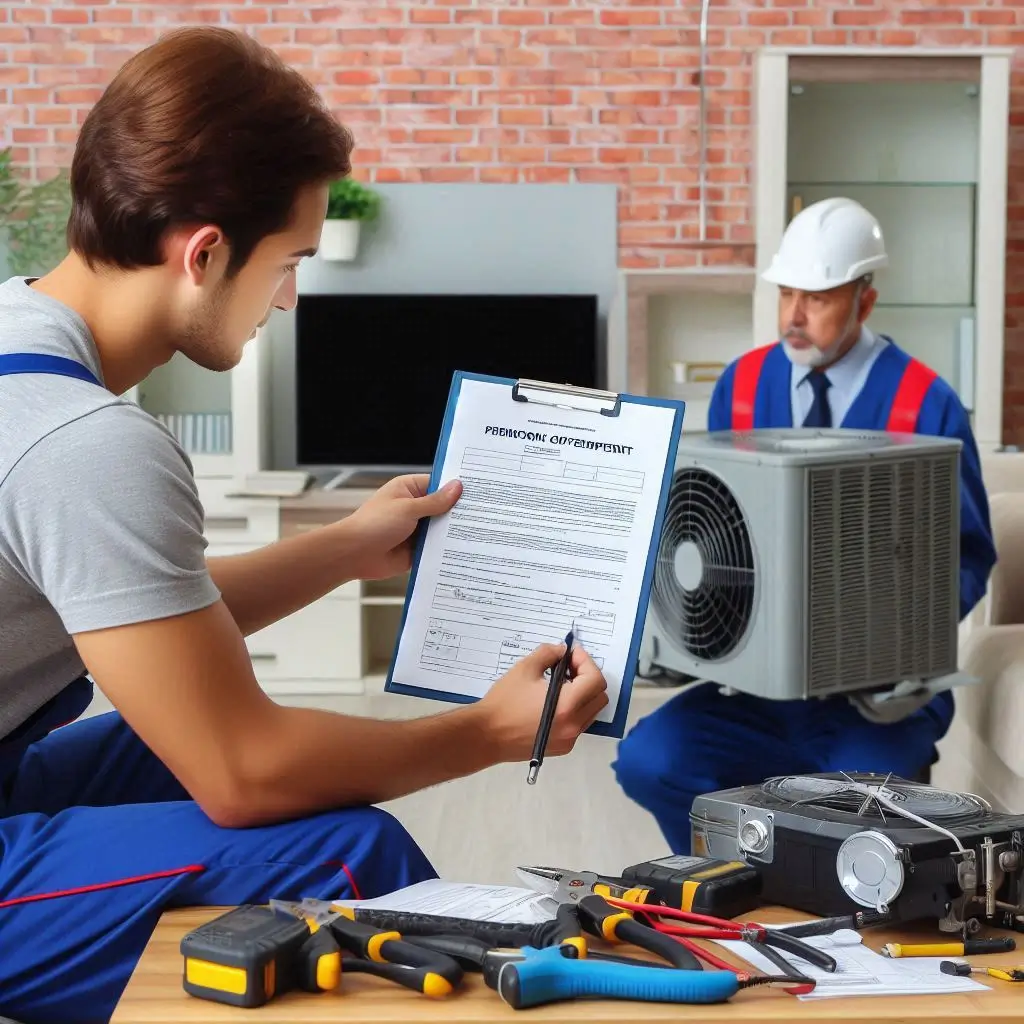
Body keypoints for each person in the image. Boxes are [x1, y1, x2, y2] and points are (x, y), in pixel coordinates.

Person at [0, 27, 609, 1024]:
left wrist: (347, 546)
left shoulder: (17, 334)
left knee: (177, 733)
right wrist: (487, 732)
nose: (287, 298)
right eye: (288, 262)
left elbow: (140, 615)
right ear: (203, 253)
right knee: (344, 849)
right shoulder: (85, 441)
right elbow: (241, 776)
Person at [613, 196, 996, 855]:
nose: (793, 315)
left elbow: (969, 557)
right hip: (754, 691)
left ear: (864, 302)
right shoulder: (742, 384)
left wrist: (890, 637)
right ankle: (738, 879)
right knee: (651, 760)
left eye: (816, 299)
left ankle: (825, 895)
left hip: (876, 701)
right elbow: (706, 525)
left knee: (858, 809)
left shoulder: (924, 403)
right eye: (787, 293)